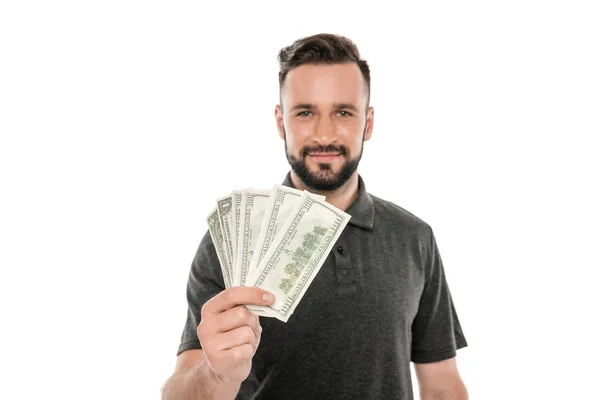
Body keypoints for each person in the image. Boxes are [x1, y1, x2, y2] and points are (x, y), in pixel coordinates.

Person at [161, 33, 468, 400]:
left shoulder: (414, 237)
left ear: (368, 123)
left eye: (343, 112)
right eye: (305, 112)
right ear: (280, 122)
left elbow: (442, 385)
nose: (324, 135)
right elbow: (179, 392)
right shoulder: (227, 242)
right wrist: (216, 375)